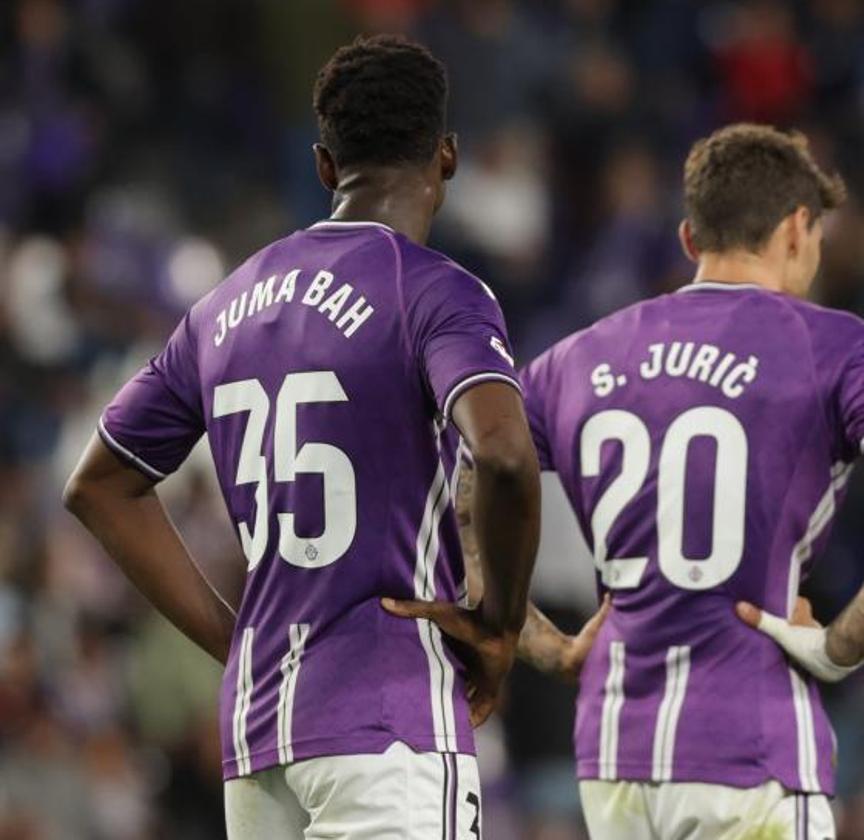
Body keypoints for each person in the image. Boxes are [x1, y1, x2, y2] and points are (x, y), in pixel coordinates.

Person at [399, 123, 864, 839]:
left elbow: (461, 494)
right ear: (797, 229)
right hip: (751, 748)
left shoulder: (575, 358)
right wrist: (840, 644)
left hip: (613, 755)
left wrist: (539, 642)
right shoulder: (834, 346)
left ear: (689, 238)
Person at [62, 35, 540, 839]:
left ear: (324, 167)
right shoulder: (434, 293)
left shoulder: (222, 307)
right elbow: (503, 452)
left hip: (260, 741)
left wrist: (239, 640)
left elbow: (99, 484)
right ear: (447, 157)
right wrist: (500, 628)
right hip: (390, 725)